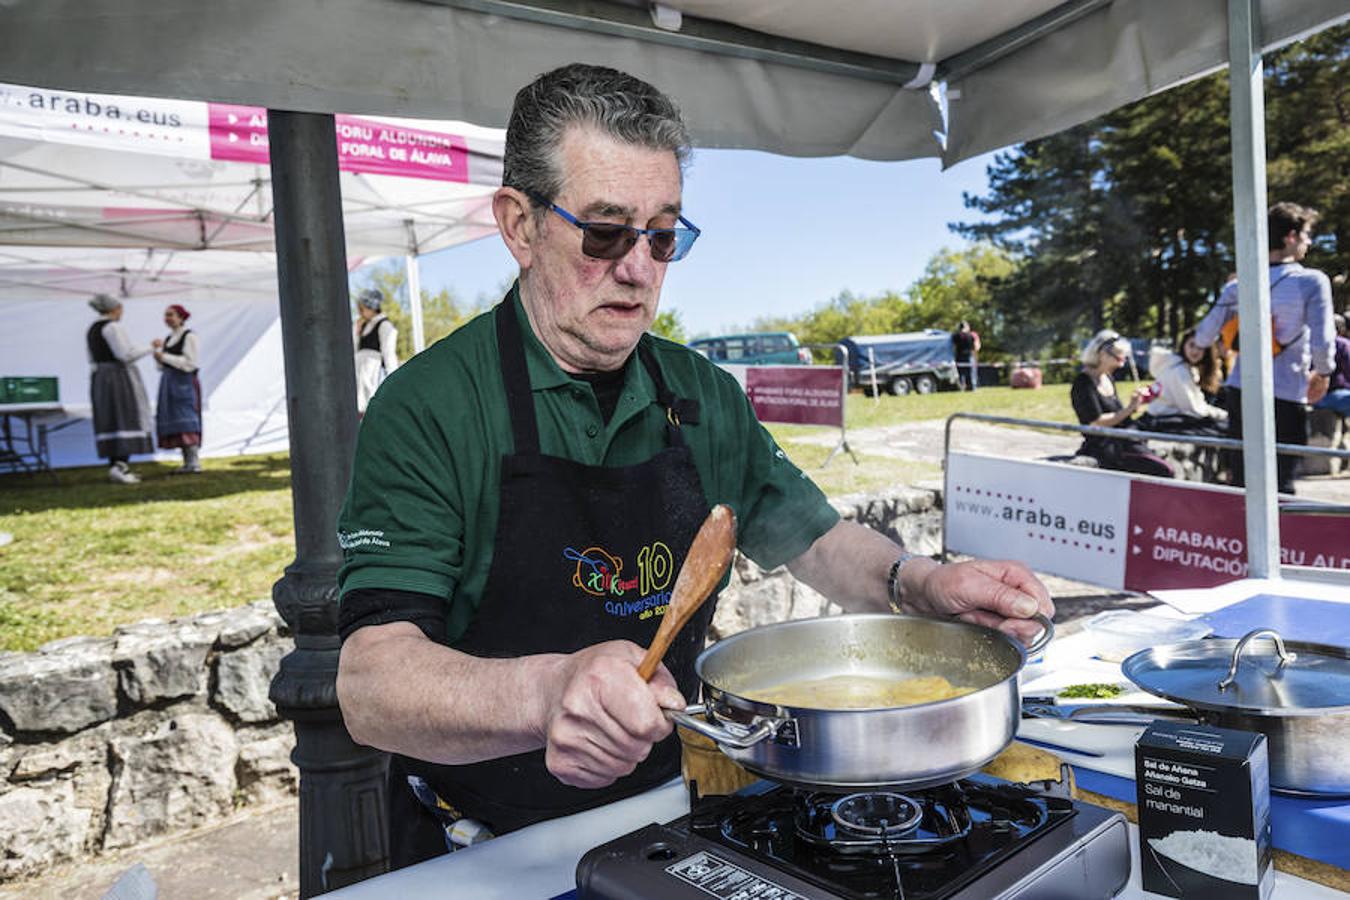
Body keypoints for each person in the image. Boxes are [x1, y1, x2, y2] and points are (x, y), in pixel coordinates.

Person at [334, 63, 1054, 868]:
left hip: (671, 812)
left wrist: (921, 583)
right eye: (604, 232)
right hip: (482, 844)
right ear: (520, 226)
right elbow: (371, 684)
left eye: (663, 235)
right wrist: (544, 694)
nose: (639, 268)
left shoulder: (701, 393)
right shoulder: (430, 405)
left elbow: (811, 540)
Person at [1195, 202, 1336, 494]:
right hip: (1286, 391)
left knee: (1243, 480)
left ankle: (1240, 539)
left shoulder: (1238, 286)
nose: (1309, 242)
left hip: (1240, 391)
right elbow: (1323, 340)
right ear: (1291, 236)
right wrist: (1323, 373)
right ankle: (1279, 539)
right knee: (1282, 481)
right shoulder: (1311, 282)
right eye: (1307, 234)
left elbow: (1202, 337)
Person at [1070, 330, 1175, 477]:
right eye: (1119, 356)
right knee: (1165, 470)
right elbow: (1096, 423)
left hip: (1124, 439)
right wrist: (1129, 409)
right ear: (1102, 354)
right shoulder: (1083, 383)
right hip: (1106, 446)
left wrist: (1136, 403)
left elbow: (1119, 414)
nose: (1122, 361)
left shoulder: (1107, 377)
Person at [86, 294, 154, 484]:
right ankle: (120, 466)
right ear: (113, 309)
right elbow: (125, 354)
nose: (121, 312)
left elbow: (92, 358)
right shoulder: (112, 327)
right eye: (120, 308)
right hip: (117, 377)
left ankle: (116, 466)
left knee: (111, 419)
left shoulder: (92, 329)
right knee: (125, 416)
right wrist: (150, 348)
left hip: (100, 377)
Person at [1139, 329, 1228, 437]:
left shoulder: (1185, 368)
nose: (1195, 351)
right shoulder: (1179, 371)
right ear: (1184, 345)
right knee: (1222, 428)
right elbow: (1193, 409)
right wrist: (1222, 414)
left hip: (1169, 418)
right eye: (1191, 345)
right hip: (1161, 421)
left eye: (1200, 348)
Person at [151, 304, 203, 474]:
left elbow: (190, 363)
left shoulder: (189, 336)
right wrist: (158, 356)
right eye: (166, 315)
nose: (167, 318)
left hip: (184, 382)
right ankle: (187, 462)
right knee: (176, 422)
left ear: (181, 318)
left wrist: (164, 356)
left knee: (187, 419)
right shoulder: (168, 339)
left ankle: (194, 461)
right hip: (169, 382)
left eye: (171, 315)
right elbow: (161, 367)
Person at [353, 288, 399, 415]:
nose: (360, 312)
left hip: (373, 371)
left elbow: (389, 353)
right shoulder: (363, 326)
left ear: (371, 307)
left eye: (362, 309)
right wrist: (356, 333)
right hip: (361, 373)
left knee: (371, 404)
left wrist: (392, 380)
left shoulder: (384, 325)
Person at [1312, 313, 1350, 417]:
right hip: (1331, 395)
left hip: (1311, 396)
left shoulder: (1312, 342)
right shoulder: (1342, 344)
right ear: (1341, 329)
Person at [952, 320, 981, 391]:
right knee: (971, 372)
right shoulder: (972, 335)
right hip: (970, 356)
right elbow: (977, 347)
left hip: (959, 356)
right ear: (967, 327)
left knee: (961, 373)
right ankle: (973, 387)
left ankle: (962, 387)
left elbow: (952, 347)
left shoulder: (955, 336)